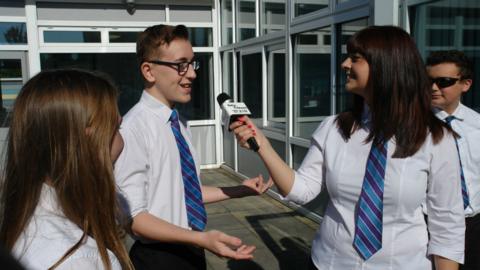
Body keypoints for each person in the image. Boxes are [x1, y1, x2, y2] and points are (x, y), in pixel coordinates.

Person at [231, 26, 465, 270]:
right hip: (330, 263)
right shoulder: (333, 129)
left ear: (387, 65)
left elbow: (447, 225)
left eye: (355, 58)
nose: (344, 64)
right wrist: (264, 146)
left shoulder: (435, 138)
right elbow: (301, 190)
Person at [114, 24, 272, 270]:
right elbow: (134, 218)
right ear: (149, 71)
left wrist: (239, 190)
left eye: (192, 64)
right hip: (158, 258)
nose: (192, 74)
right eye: (180, 65)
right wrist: (200, 239)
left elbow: (185, 193)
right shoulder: (132, 130)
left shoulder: (179, 122)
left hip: (190, 249)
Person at [0, 69, 134, 270]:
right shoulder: (77, 260)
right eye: (115, 129)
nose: (122, 144)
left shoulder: (23, 225)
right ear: (86, 142)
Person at [427, 50, 480, 270]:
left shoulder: (477, 124)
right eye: (428, 80)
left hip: (474, 225)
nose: (433, 87)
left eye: (444, 82)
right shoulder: (413, 127)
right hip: (430, 225)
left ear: (465, 84)